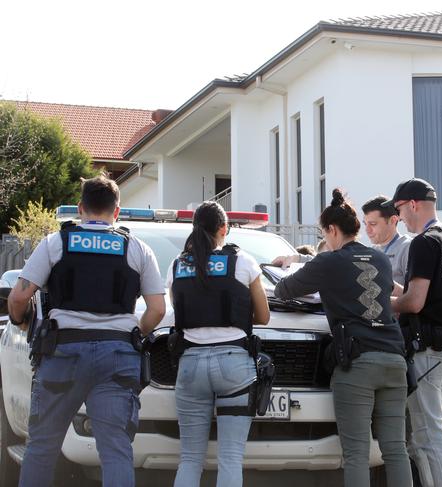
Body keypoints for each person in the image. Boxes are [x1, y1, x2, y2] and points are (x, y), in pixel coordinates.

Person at [7, 175, 166, 487]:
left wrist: (21, 321)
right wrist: (135, 335)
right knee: (116, 451)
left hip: (63, 354)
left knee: (41, 448)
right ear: (116, 212)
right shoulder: (137, 248)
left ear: (80, 208)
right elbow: (157, 309)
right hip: (118, 357)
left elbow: (19, 297)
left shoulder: (55, 243)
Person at [274, 189, 412, 487]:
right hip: (394, 359)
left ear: (332, 230)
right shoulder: (381, 260)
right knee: (396, 449)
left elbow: (284, 291)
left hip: (357, 364)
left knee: (356, 453)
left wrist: (289, 265)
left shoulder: (328, 262)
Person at [166, 201, 270, 487]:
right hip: (235, 365)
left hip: (190, 365)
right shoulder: (243, 262)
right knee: (231, 457)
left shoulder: (177, 265)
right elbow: (263, 316)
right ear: (223, 229)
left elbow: (180, 313)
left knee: (189, 458)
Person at [387, 178, 442, 487]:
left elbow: (415, 301)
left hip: (426, 351)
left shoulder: (422, 242)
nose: (399, 218)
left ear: (413, 205)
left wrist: (384, 304)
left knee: (428, 436)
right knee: (427, 434)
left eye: (399, 210)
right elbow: (426, 294)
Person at [361, 195, 412, 286]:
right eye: (365, 224)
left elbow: (416, 296)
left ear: (393, 220)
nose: (367, 230)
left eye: (373, 224)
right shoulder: (372, 251)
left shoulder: (408, 248)